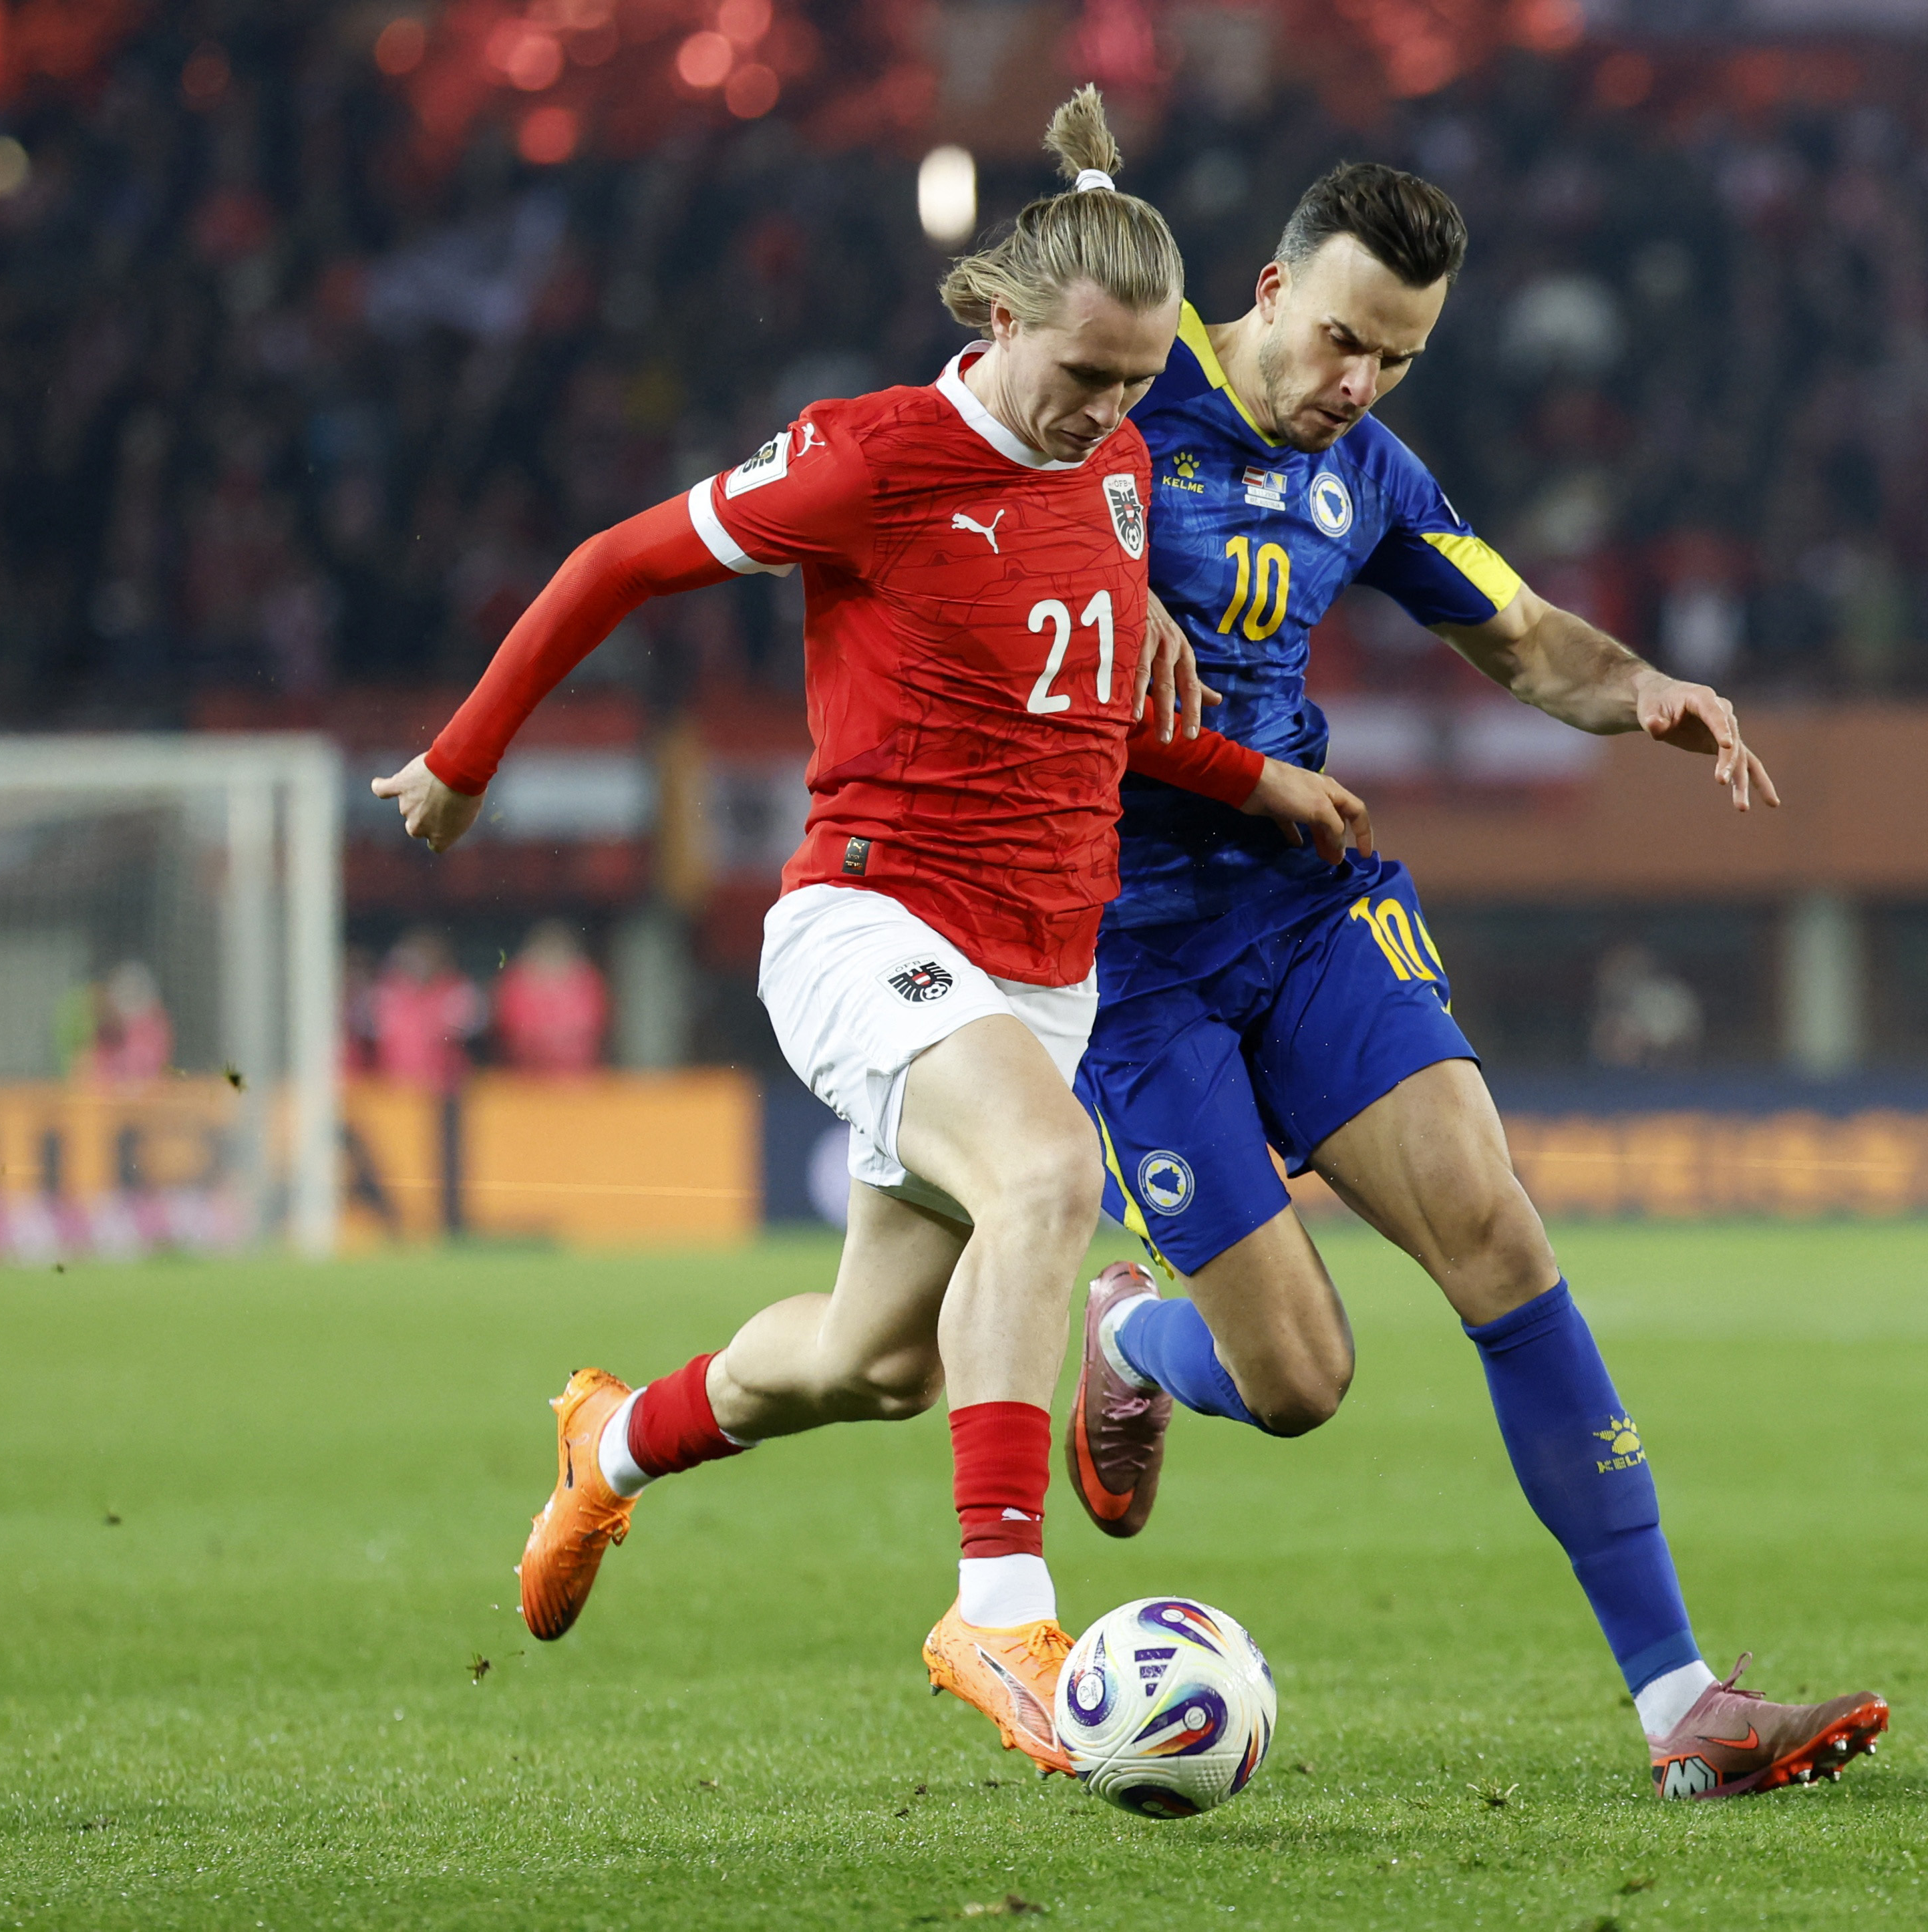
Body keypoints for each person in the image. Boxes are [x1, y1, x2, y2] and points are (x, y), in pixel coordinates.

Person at [369, 89, 1366, 1775]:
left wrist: (1241, 769)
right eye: (1086, 373)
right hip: (872, 919)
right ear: (999, 318)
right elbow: (613, 564)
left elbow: (1080, 709)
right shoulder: (871, 460)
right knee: (1049, 1176)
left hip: (1043, 967)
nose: (1108, 412)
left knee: (874, 1362)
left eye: (1137, 383)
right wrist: (465, 762)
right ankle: (998, 1610)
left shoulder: (1118, 463)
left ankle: (611, 1446)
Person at [1063, 162, 1889, 1800]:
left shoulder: (1364, 471)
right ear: (1271, 290)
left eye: (1400, 357)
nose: (1360, 382)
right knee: (1300, 1383)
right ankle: (1135, 1342)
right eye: (1344, 340)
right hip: (1126, 956)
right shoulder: (1117, 400)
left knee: (1497, 1232)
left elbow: (1518, 636)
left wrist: (1643, 690)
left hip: (1306, 904)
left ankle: (1682, 1710)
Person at [370, 930, 485, 1094]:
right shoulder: (389, 992)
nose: (418, 963)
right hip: (394, 1090)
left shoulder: (454, 990)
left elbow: (469, 1024)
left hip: (441, 1093)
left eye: (424, 956)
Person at [494, 919, 609, 1074]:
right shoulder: (516, 981)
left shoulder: (587, 980)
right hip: (524, 1076)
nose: (551, 955)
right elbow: (513, 1030)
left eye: (557, 950)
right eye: (546, 950)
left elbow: (592, 1027)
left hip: (578, 1076)